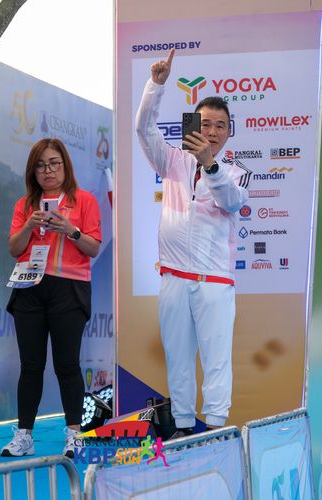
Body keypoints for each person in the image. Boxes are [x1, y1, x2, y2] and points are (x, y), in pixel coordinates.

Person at [136, 49, 249, 438]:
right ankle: (184, 427)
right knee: (178, 359)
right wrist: (156, 86)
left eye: (220, 125)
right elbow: (143, 129)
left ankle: (215, 428)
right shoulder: (172, 161)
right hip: (173, 278)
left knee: (217, 361)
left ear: (228, 133)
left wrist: (211, 166)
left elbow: (231, 201)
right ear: (192, 127)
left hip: (214, 283)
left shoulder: (236, 173)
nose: (212, 131)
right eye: (205, 124)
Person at [1, 138, 101, 458]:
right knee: (30, 366)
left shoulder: (84, 200)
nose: (48, 171)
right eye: (41, 165)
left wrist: (70, 230)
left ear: (65, 165)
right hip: (29, 287)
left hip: (69, 288)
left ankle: (74, 434)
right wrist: (30, 226)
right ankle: (24, 436)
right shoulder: (25, 204)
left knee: (67, 364)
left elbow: (93, 247)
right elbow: (14, 248)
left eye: (54, 163)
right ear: (33, 171)